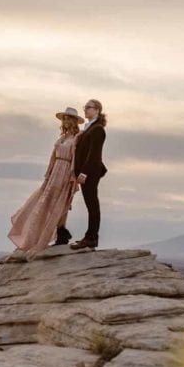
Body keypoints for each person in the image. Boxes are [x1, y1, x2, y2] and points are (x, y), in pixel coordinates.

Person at [8, 107, 83, 258]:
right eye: (64, 119)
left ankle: (61, 232)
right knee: (47, 202)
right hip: (55, 171)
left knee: (62, 202)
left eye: (68, 119)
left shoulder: (78, 137)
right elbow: (53, 156)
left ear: (73, 121)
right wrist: (49, 173)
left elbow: (77, 157)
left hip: (66, 171)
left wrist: (73, 176)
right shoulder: (62, 137)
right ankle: (60, 232)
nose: (65, 122)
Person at [70, 98, 107, 252]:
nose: (85, 110)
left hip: (90, 172)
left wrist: (84, 172)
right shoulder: (88, 128)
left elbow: (94, 154)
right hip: (87, 172)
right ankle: (90, 236)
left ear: (97, 110)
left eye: (89, 108)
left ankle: (91, 238)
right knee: (90, 204)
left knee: (92, 204)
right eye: (85, 107)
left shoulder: (98, 129)